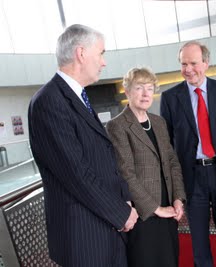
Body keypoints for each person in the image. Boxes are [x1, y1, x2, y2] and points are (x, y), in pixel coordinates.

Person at [28, 24, 138, 267]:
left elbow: (102, 157)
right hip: (84, 236)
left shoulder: (78, 97)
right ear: (81, 53)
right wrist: (121, 213)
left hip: (106, 225)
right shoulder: (49, 102)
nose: (104, 62)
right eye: (101, 53)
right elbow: (75, 173)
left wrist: (124, 199)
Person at [160, 41, 216, 267]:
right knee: (199, 243)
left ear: (206, 63)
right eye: (183, 64)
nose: (188, 69)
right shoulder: (170, 98)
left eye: (193, 63)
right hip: (191, 178)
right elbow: (167, 143)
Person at [106, 67, 186, 267]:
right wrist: (155, 208)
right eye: (139, 88)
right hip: (143, 213)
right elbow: (126, 173)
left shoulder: (159, 122)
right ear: (127, 91)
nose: (145, 94)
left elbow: (172, 162)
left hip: (168, 207)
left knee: (170, 260)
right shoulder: (118, 126)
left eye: (149, 88)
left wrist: (178, 198)